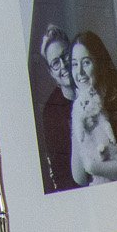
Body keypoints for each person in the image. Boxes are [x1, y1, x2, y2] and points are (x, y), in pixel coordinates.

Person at [69, 30, 117, 186]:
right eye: (74, 64)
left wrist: (94, 167)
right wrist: (80, 126)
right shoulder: (80, 106)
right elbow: (79, 177)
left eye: (86, 62)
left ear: (100, 63)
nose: (79, 72)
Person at [34, 25, 75, 196]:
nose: (64, 65)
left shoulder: (96, 86)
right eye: (55, 63)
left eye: (65, 55)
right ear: (51, 72)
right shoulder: (51, 112)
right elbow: (60, 171)